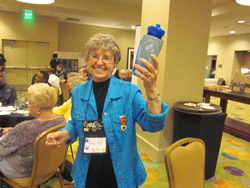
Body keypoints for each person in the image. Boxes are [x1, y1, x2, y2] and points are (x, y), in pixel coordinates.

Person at [46, 33, 168, 188]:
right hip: (87, 170)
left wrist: (151, 91)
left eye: (106, 58)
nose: (99, 62)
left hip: (120, 174)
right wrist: (64, 134)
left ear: (115, 62)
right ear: (88, 60)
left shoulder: (129, 92)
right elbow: (75, 124)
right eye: (94, 56)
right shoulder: (78, 92)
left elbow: (153, 125)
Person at [0, 83, 65, 178]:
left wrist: (12, 133)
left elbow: (2, 150)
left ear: (38, 107)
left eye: (29, 103)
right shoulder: (61, 120)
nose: (28, 105)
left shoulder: (26, 127)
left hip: (23, 171)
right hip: (49, 168)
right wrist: (15, 132)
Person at [53, 75, 87, 163]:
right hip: (68, 144)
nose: (70, 92)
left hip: (76, 151)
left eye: (70, 90)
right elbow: (57, 110)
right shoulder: (72, 100)